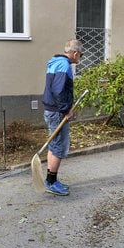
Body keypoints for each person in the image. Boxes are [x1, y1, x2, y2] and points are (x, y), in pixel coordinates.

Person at [41, 39, 82, 196]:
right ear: (75, 53)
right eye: (80, 55)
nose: (80, 58)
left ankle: (51, 180)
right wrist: (66, 110)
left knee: (54, 146)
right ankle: (51, 183)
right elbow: (58, 91)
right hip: (57, 112)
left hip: (51, 110)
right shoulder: (64, 65)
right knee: (58, 147)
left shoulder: (55, 62)